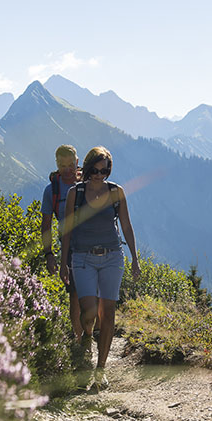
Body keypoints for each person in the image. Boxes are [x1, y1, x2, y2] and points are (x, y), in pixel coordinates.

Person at [60, 146, 141, 390]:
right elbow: (67, 231)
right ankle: (86, 336)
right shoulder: (77, 192)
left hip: (112, 257)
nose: (99, 174)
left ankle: (100, 370)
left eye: (104, 170)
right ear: (86, 168)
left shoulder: (117, 192)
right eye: (94, 169)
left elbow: (126, 226)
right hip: (82, 258)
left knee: (108, 313)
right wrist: (64, 262)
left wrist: (135, 259)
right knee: (90, 313)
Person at [41, 144, 83, 339]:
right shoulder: (52, 191)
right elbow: (46, 225)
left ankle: (93, 332)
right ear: (56, 165)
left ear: (77, 162)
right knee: (74, 293)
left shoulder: (90, 182)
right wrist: (49, 254)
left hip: (94, 242)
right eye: (62, 165)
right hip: (70, 247)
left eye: (70, 165)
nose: (67, 170)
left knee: (94, 293)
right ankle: (80, 340)